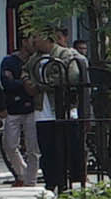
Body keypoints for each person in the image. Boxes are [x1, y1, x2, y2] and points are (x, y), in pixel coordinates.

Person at [32, 28, 92, 190]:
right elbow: (25, 71)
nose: (34, 41)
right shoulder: (34, 58)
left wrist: (44, 85)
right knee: (47, 151)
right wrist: (29, 83)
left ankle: (68, 183)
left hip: (63, 110)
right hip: (42, 112)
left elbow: (71, 76)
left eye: (36, 37)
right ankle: (52, 184)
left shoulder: (66, 55)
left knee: (66, 150)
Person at [0, 31, 42, 188]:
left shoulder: (37, 61)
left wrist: (24, 84)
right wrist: (26, 84)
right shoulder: (9, 61)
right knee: (10, 145)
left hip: (33, 108)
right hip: (13, 108)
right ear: (24, 42)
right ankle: (22, 173)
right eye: (32, 40)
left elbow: (40, 83)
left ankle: (30, 180)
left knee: (33, 147)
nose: (35, 43)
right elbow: (7, 83)